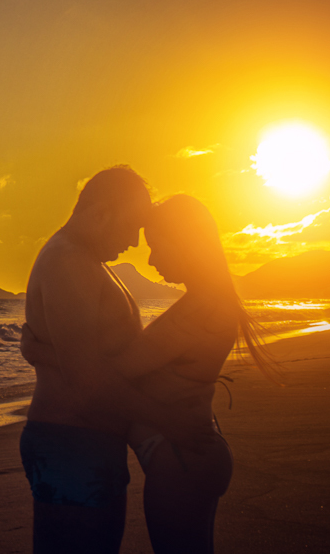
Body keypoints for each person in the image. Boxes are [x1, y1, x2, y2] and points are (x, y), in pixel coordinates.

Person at [22, 194, 280, 554]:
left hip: (182, 459)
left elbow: (115, 370)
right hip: (188, 456)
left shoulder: (200, 310)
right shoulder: (206, 303)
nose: (151, 260)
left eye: (158, 247)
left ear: (186, 244)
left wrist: (39, 351)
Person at [20, 166, 213, 554]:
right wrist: (168, 420)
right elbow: (89, 384)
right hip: (70, 442)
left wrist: (40, 352)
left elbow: (95, 358)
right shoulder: (68, 262)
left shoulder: (87, 262)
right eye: (132, 227)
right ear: (101, 213)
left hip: (84, 443)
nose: (135, 241)